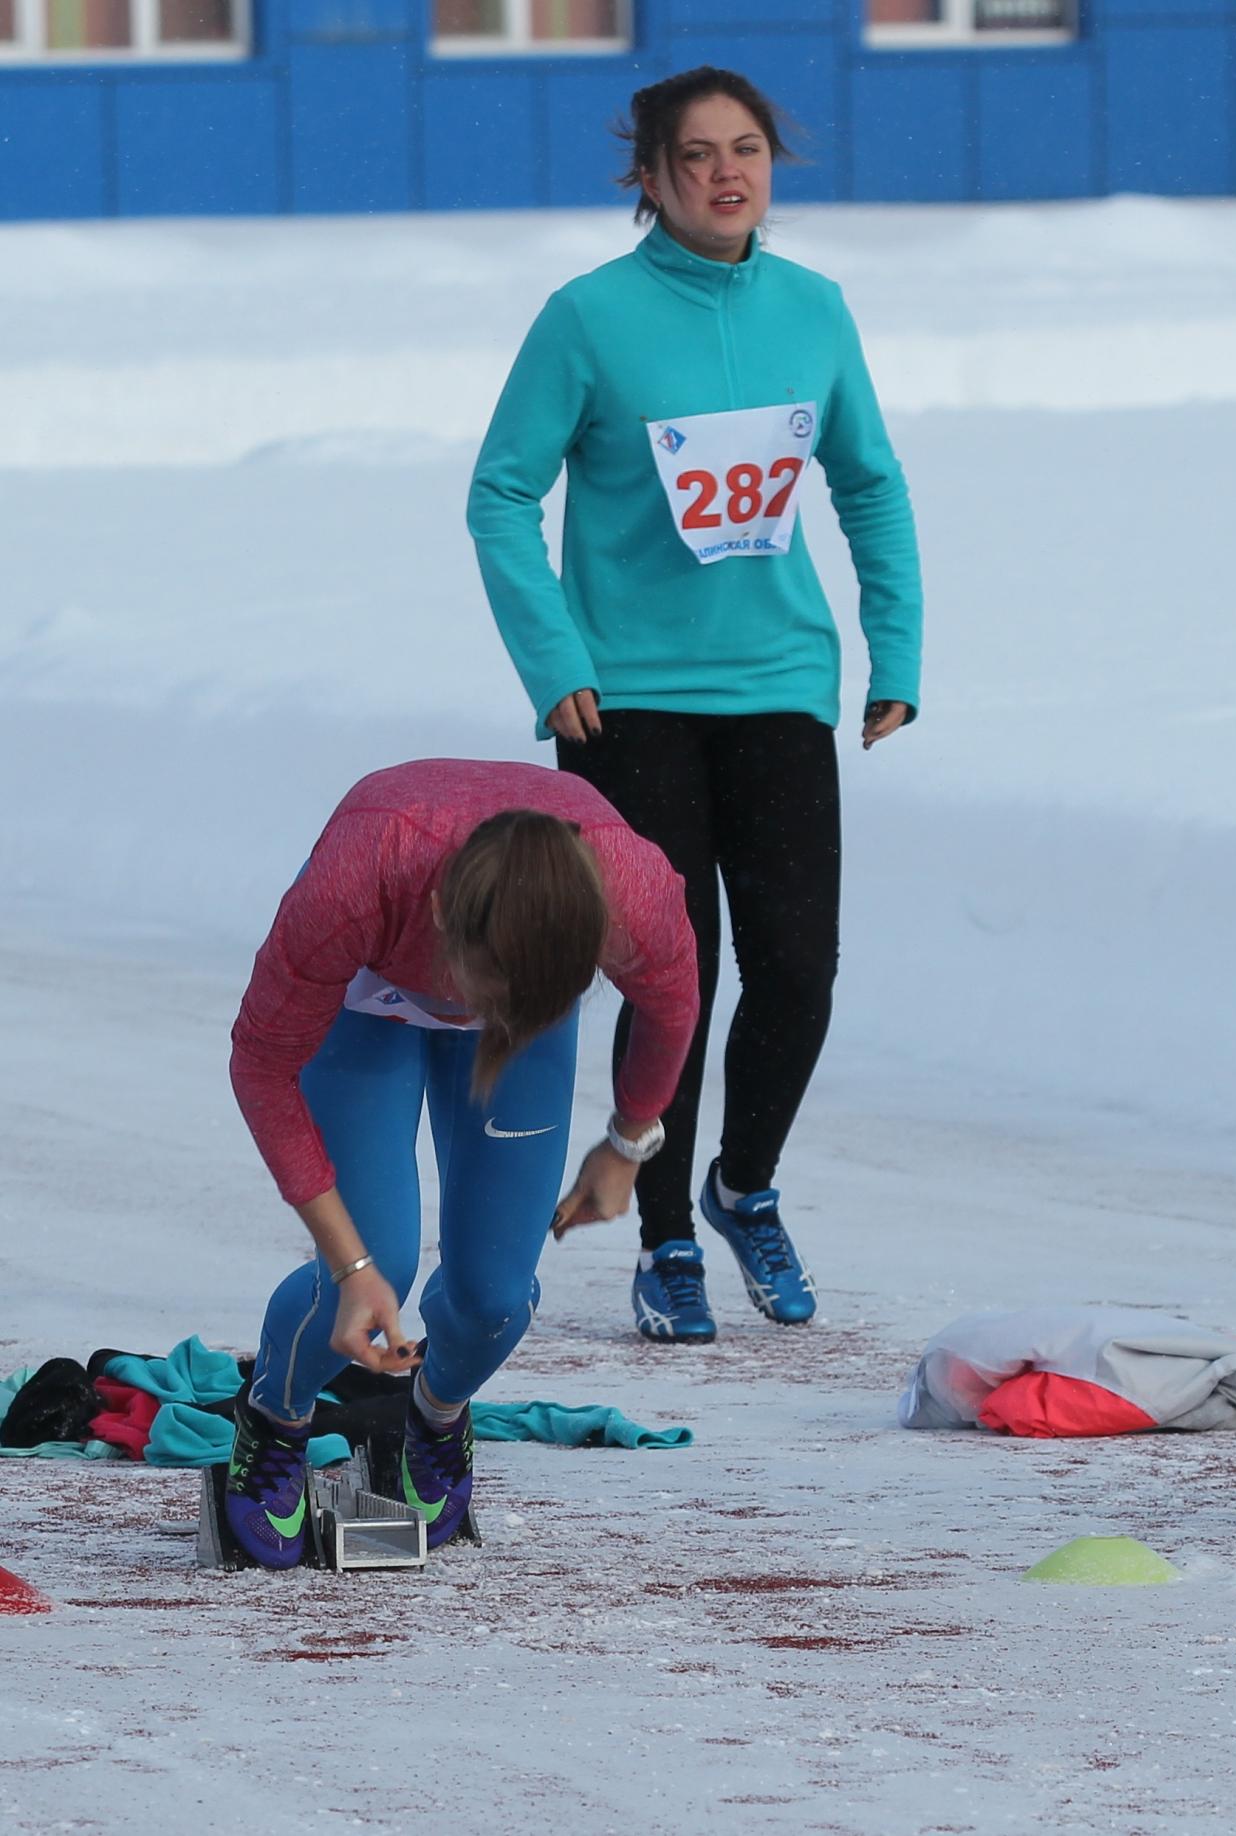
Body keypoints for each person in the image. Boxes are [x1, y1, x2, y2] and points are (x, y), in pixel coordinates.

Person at [467, 66, 923, 1346]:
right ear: (651, 180)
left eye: (749, 151)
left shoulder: (814, 312)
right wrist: (552, 658)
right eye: (698, 156)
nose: (728, 174)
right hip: (624, 701)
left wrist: (895, 648)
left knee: (797, 968)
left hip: (777, 680)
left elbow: (869, 487)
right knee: (676, 973)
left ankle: (744, 1186)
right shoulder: (588, 319)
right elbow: (501, 493)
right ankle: (662, 1236)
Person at [222, 759, 698, 1569]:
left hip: (504, 971)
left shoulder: (633, 893)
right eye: (482, 994)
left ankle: (438, 1414)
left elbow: (674, 1004)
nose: (484, 1018)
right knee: (384, 1261)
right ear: (441, 915)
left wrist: (628, 1143)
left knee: (495, 1295)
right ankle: (275, 1415)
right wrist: (350, 1262)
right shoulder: (357, 883)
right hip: (369, 996)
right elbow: (261, 1066)